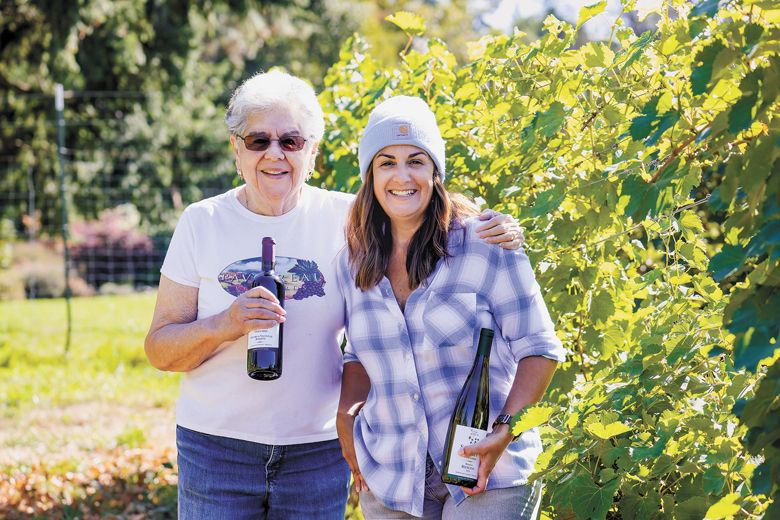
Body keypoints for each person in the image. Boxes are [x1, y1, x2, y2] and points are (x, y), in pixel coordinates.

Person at [144, 71, 524, 519]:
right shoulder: (202, 222)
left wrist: (491, 225)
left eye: (290, 141)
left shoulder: (349, 220)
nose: (274, 154)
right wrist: (225, 324)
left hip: (317, 453)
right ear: (236, 148)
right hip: (216, 448)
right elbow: (160, 350)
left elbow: (419, 205)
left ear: (313, 152)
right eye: (257, 140)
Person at [335, 95, 566, 519]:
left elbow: (540, 348)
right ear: (369, 175)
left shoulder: (485, 245)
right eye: (386, 162)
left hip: (486, 469)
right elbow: (357, 354)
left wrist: (506, 430)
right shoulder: (352, 263)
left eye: (416, 161)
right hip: (391, 476)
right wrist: (345, 417)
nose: (401, 176)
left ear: (435, 171)